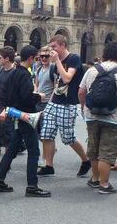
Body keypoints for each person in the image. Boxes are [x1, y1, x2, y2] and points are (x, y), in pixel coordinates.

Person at [0, 45, 51, 197]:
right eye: (36, 58)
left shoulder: (14, 73)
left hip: (17, 114)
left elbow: (9, 95)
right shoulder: (24, 74)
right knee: (33, 151)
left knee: (12, 149)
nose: (37, 61)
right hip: (26, 115)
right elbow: (26, 97)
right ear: (31, 58)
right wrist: (39, 96)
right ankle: (32, 186)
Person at [39, 34, 91, 177]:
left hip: (69, 103)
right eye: (51, 48)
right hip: (55, 101)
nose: (52, 50)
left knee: (68, 137)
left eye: (54, 47)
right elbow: (57, 83)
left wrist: (57, 62)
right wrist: (50, 102)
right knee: (46, 133)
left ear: (62, 45)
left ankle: (86, 160)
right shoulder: (57, 62)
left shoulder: (74, 58)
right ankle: (49, 165)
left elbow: (67, 78)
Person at [78, 41, 117, 194]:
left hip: (92, 115)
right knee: (107, 152)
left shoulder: (92, 70)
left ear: (104, 54)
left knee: (93, 148)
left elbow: (81, 92)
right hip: (114, 118)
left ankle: (95, 179)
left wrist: (84, 108)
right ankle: (104, 184)